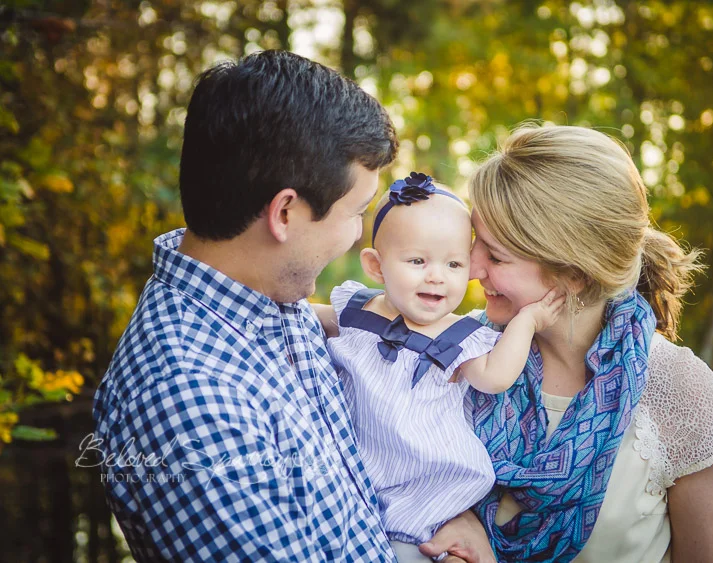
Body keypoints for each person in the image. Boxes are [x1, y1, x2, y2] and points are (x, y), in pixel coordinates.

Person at [93, 50, 449, 562]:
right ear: (284, 212)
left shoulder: (265, 298)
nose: (355, 238)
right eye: (355, 213)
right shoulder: (190, 398)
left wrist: (450, 514)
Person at [423, 125, 713, 562]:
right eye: (474, 242)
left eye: (496, 256)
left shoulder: (680, 390)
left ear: (574, 275)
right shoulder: (459, 353)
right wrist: (448, 517)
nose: (472, 266)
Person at [311, 173, 564, 562]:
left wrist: (526, 323)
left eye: (454, 264)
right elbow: (303, 316)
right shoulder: (356, 308)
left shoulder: (461, 335)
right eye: (417, 260)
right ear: (376, 267)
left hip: (426, 492)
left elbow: (495, 377)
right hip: (355, 479)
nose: (436, 275)